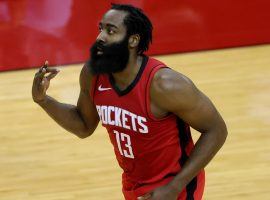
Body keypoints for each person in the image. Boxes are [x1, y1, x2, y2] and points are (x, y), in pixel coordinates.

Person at [32, 3, 227, 200]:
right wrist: (44, 100)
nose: (100, 37)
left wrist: (174, 187)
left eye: (111, 31)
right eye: (101, 29)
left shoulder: (164, 85)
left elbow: (216, 130)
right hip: (133, 185)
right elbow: (84, 125)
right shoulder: (93, 74)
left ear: (132, 40)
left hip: (175, 188)